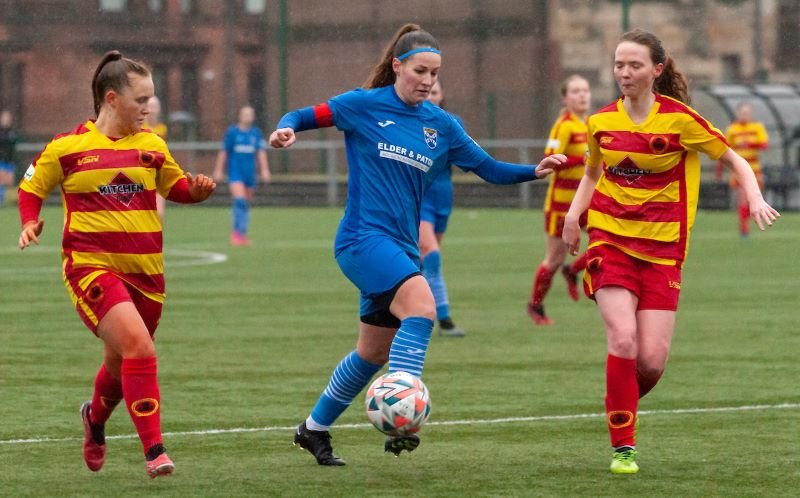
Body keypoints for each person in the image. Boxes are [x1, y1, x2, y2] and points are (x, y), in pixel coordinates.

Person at [269, 23, 563, 466]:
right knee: (423, 308)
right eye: (420, 71)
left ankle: (312, 429)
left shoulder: (441, 125)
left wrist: (533, 171)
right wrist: (284, 130)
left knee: (371, 354)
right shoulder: (363, 105)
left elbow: (487, 167)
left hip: (401, 249)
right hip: (361, 240)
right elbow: (303, 115)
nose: (427, 80)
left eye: (434, 73)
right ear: (397, 66)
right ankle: (403, 417)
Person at [562, 29, 779, 475]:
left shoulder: (680, 120)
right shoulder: (602, 121)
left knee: (651, 362)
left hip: (663, 253)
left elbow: (734, 159)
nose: (624, 72)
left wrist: (754, 197)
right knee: (622, 337)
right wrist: (572, 217)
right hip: (611, 242)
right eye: (619, 64)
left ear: (657, 70)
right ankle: (623, 447)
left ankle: (616, 397)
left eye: (634, 65)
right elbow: (591, 174)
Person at [17, 50, 216, 479]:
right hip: (90, 268)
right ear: (111, 99)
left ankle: (95, 420)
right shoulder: (67, 147)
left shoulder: (152, 145)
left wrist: (194, 191)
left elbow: (174, 186)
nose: (149, 107)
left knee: (117, 363)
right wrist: (30, 220)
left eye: (151, 99)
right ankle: (155, 450)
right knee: (140, 349)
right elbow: (31, 187)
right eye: (141, 99)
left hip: (147, 277)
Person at [527, 75, 591, 326]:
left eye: (585, 90)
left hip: (585, 201)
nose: (582, 95)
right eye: (575, 91)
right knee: (553, 259)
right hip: (561, 205)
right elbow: (550, 160)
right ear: (565, 98)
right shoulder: (564, 125)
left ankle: (573, 270)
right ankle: (535, 306)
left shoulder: (589, 124)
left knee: (606, 242)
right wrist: (583, 161)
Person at [419, 80, 465, 337]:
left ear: (442, 95)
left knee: (423, 260)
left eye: (435, 92)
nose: (430, 96)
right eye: (427, 92)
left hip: (443, 199)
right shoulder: (411, 123)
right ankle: (444, 318)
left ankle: (408, 306)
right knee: (432, 254)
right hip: (420, 198)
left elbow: (462, 153)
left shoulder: (451, 123)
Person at [213, 105, 271, 246]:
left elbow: (261, 153)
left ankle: (242, 233)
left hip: (250, 174)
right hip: (235, 173)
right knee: (240, 201)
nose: (247, 116)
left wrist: (265, 170)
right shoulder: (232, 132)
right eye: (245, 114)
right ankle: (236, 234)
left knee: (245, 205)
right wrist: (218, 170)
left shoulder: (255, 133)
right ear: (240, 116)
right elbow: (224, 152)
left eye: (250, 114)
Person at [715, 101, 768, 238]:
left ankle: (747, 224)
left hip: (755, 169)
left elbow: (764, 144)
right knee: (743, 198)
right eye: (743, 113)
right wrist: (719, 170)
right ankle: (744, 229)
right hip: (738, 171)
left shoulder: (757, 127)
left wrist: (749, 144)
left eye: (747, 113)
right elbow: (724, 150)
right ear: (738, 114)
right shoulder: (732, 129)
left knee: (754, 199)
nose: (745, 115)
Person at [144, 96, 168, 221]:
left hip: (157, 174)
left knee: (159, 214)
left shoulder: (162, 129)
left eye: (155, 107)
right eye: (150, 106)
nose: (152, 110)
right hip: (142, 173)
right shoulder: (139, 127)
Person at [0, 109, 20, 206]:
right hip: (1, 161)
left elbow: (13, 146)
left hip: (10, 161)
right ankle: (1, 200)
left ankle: (6, 200)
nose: (6, 120)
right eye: (4, 117)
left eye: (8, 118)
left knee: (9, 182)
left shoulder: (12, 133)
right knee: (2, 181)